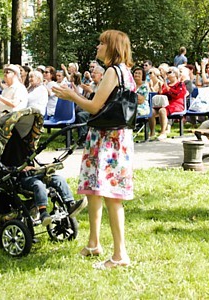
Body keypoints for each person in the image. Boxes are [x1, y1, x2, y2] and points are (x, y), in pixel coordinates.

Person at [53, 29, 134, 270]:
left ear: (112, 47)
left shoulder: (113, 71)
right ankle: (93, 243)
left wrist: (72, 95)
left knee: (111, 196)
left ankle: (120, 256)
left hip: (109, 140)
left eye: (102, 43)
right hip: (109, 137)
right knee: (94, 192)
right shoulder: (126, 71)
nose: (98, 47)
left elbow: (95, 106)